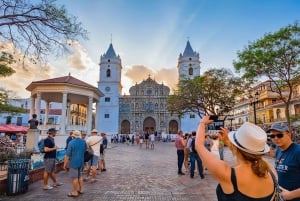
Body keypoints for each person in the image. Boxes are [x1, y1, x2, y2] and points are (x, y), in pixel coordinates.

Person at [196, 116, 275, 201]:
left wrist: (202, 123)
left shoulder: (228, 175)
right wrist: (230, 143)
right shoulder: (271, 172)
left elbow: (199, 146)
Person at [267, 122, 300, 201]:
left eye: (279, 135)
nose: (275, 138)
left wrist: (290, 195)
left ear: (289, 135)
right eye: (272, 136)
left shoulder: (298, 152)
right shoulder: (279, 149)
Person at [63, 130, 86, 197]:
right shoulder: (83, 141)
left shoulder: (71, 142)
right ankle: (81, 190)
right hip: (81, 161)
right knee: (80, 176)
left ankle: (75, 192)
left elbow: (67, 155)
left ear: (73, 136)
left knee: (75, 178)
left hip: (74, 162)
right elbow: (84, 150)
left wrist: (65, 164)